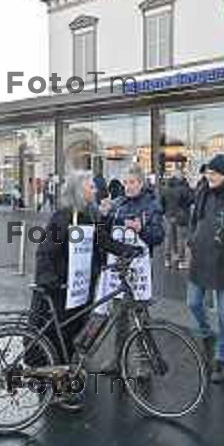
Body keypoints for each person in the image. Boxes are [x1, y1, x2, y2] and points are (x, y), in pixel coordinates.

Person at [30, 171, 141, 411]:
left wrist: (128, 250)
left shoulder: (89, 216)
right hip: (61, 289)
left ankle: (62, 379)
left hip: (80, 289)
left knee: (71, 336)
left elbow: (103, 240)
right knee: (59, 339)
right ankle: (56, 391)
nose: (95, 190)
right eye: (90, 187)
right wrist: (48, 279)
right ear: (79, 191)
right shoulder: (62, 217)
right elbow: (45, 251)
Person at [99, 164, 165, 375]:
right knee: (119, 316)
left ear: (141, 183)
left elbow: (158, 236)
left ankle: (143, 363)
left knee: (140, 316)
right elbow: (104, 230)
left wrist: (142, 229)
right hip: (118, 267)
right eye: (126, 182)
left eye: (133, 182)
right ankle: (117, 360)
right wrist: (104, 215)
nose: (128, 186)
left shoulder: (151, 205)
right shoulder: (117, 203)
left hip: (139, 269)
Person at [186, 154, 224, 384]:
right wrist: (192, 239)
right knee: (193, 302)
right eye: (208, 173)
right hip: (200, 259)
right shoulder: (203, 193)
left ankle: (222, 358)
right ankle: (206, 331)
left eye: (214, 173)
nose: (209, 177)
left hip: (223, 262)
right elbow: (194, 220)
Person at [161, 169, 193, 269]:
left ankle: (167, 259)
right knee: (181, 239)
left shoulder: (166, 188)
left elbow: (162, 202)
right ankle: (181, 261)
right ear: (181, 177)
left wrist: (164, 212)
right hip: (181, 216)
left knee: (168, 238)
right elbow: (190, 200)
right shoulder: (183, 188)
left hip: (169, 215)